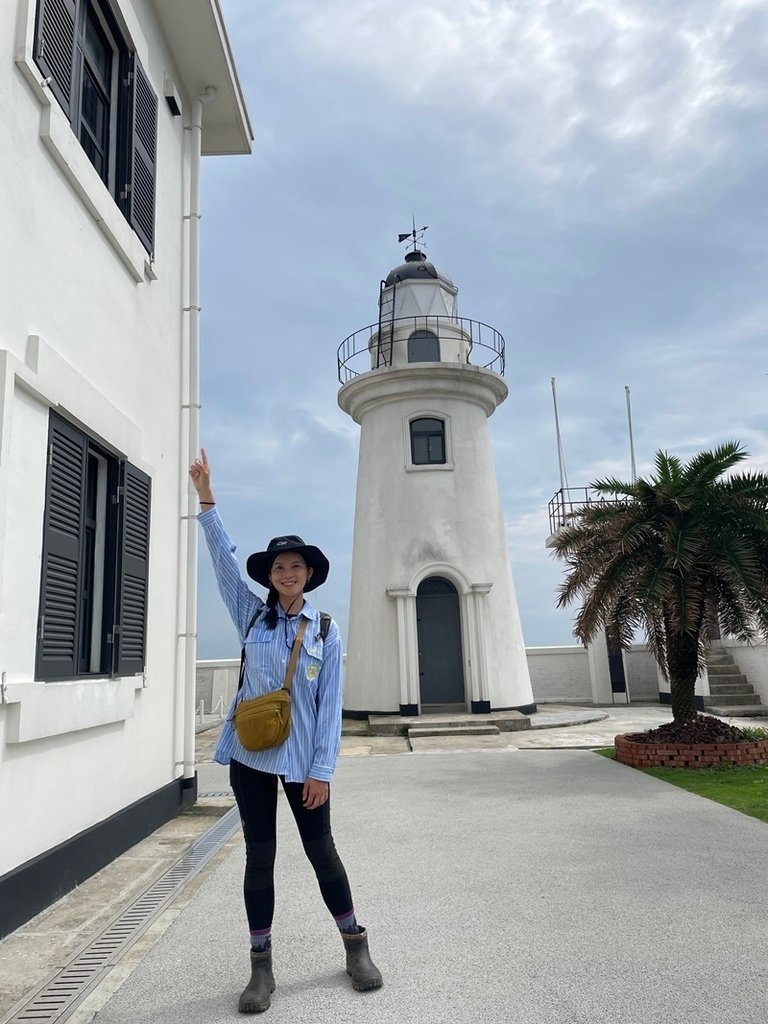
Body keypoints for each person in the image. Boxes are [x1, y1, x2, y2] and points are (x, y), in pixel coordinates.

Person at [189, 448, 382, 1014]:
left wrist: (323, 770)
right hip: (252, 757)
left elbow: (329, 705)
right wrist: (207, 497)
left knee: (322, 851)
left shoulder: (325, 629)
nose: (287, 574)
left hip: (303, 765)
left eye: (295, 566)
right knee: (260, 857)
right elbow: (224, 561)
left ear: (309, 574)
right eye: (278, 567)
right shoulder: (251, 615)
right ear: (269, 577)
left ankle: (355, 946)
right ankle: (261, 967)